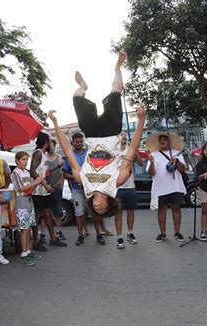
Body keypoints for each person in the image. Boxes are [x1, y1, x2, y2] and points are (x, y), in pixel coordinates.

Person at [49, 50, 146, 246]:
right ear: (108, 204)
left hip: (92, 134)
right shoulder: (117, 181)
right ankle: (118, 68)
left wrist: (56, 123)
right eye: (101, 210)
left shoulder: (83, 182)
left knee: (76, 98)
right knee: (115, 92)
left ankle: (83, 86)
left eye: (96, 210)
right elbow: (133, 147)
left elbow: (68, 151)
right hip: (111, 131)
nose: (97, 207)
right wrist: (142, 120)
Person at [146, 132, 186, 242]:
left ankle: (177, 232)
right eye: (160, 139)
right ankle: (162, 234)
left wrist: (177, 161)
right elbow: (151, 173)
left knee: (176, 209)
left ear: (169, 141)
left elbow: (183, 169)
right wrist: (152, 162)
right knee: (162, 210)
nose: (162, 141)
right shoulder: (153, 154)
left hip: (175, 186)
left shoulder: (177, 153)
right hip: (160, 187)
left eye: (165, 139)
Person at [30, 132, 67, 250]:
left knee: (47, 214)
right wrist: (45, 184)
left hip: (45, 190)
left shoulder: (43, 154)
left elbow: (44, 171)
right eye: (50, 142)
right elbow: (32, 171)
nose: (51, 145)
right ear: (46, 142)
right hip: (38, 191)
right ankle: (36, 242)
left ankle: (53, 239)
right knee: (38, 215)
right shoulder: (38, 153)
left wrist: (57, 167)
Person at [11, 151, 46, 266]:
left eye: (27, 159)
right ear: (17, 160)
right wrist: (35, 182)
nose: (25, 162)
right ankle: (23, 254)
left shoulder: (25, 172)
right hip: (21, 202)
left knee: (29, 228)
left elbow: (30, 188)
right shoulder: (15, 173)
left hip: (29, 200)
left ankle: (28, 251)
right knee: (24, 230)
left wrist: (38, 182)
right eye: (23, 159)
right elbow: (21, 188)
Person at [114, 132, 142, 248]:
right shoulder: (113, 151)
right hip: (117, 187)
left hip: (130, 186)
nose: (123, 136)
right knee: (118, 212)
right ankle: (119, 237)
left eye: (125, 135)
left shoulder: (130, 150)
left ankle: (130, 233)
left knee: (131, 211)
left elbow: (140, 164)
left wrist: (135, 153)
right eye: (121, 135)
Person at [62, 132, 89, 245]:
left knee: (95, 212)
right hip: (76, 188)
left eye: (81, 141)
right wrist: (76, 177)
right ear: (72, 143)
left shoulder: (88, 154)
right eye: (77, 142)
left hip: (89, 188)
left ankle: (99, 235)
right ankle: (80, 235)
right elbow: (65, 174)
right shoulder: (70, 156)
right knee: (78, 212)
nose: (79, 143)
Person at [46, 139, 66, 241]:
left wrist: (61, 185)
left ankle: (59, 231)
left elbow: (62, 173)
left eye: (53, 144)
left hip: (57, 188)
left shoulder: (59, 157)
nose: (51, 146)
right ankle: (48, 234)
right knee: (48, 211)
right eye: (50, 144)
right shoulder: (43, 158)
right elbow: (45, 173)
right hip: (47, 188)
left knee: (58, 211)